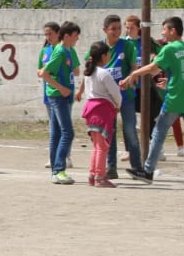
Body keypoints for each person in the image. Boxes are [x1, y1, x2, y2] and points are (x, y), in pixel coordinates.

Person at [122, 16, 184, 186]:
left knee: (159, 132)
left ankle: (147, 171)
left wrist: (134, 74)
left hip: (176, 99)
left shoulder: (170, 49)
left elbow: (153, 68)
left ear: (173, 31)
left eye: (164, 29)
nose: (162, 33)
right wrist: (170, 82)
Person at [38, 21, 80, 184]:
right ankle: (59, 169)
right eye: (76, 36)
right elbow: (44, 73)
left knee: (56, 133)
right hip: (57, 96)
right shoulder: (60, 52)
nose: (77, 39)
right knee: (68, 132)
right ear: (67, 36)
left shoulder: (68, 51)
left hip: (62, 96)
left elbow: (75, 71)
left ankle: (56, 171)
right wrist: (62, 88)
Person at [101, 14, 139, 180]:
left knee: (130, 131)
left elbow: (134, 68)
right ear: (105, 30)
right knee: (110, 132)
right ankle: (111, 167)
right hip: (107, 98)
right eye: (113, 29)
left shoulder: (127, 46)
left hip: (126, 96)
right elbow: (91, 69)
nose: (117, 32)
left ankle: (137, 167)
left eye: (119, 28)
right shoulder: (99, 48)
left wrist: (129, 78)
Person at [79, 41, 122, 188]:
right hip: (102, 111)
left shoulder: (89, 74)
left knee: (97, 145)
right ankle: (100, 177)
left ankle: (93, 175)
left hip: (90, 110)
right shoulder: (104, 73)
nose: (109, 56)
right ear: (103, 56)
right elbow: (116, 93)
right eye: (108, 53)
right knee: (103, 146)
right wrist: (118, 105)